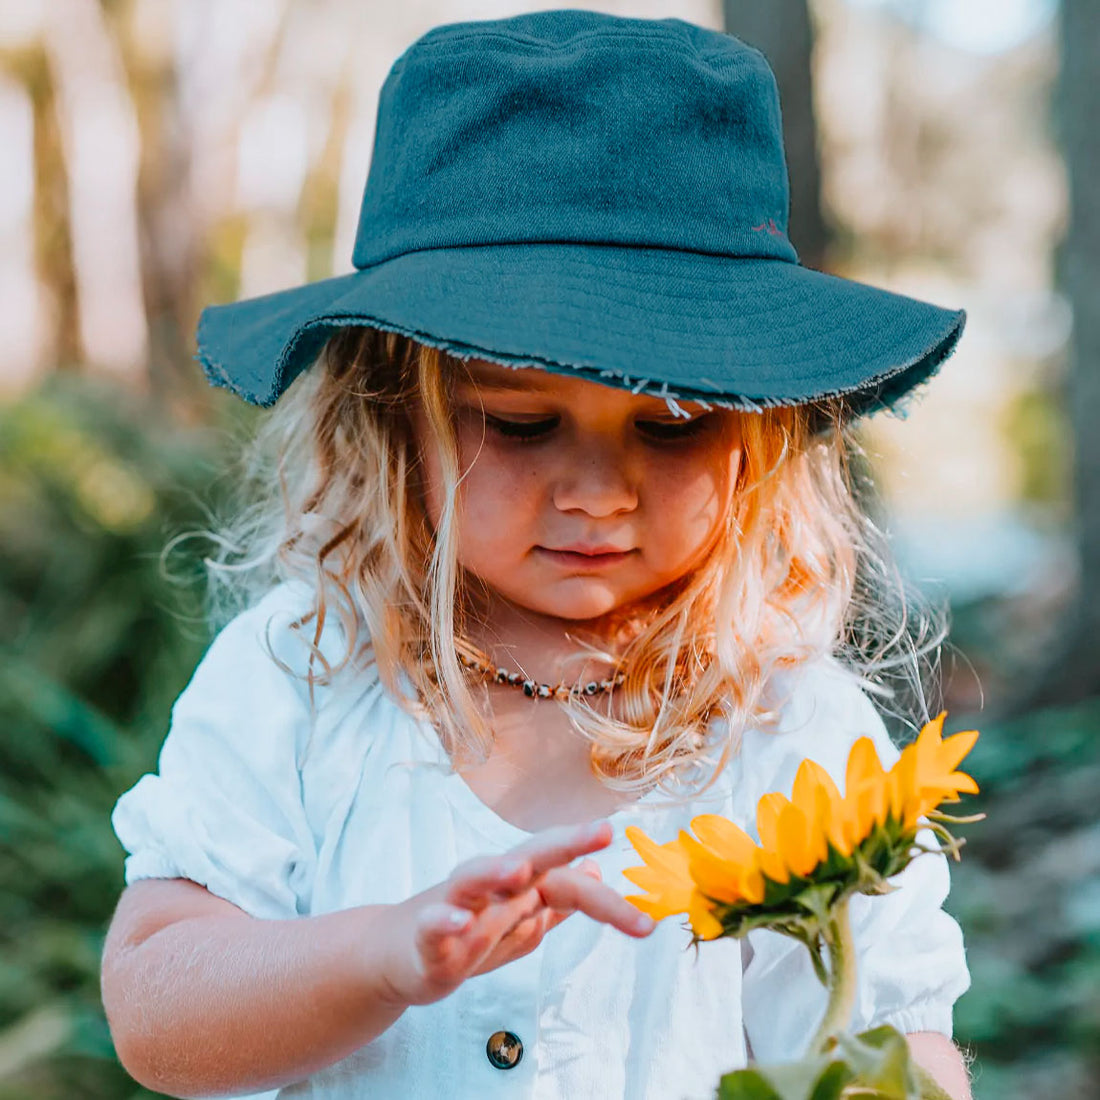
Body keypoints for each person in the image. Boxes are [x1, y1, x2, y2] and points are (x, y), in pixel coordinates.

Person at [100, 10, 975, 1100]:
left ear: (759, 438)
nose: (597, 491)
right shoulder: (302, 672)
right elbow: (157, 1012)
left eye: (669, 427)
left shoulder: (782, 723)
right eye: (516, 424)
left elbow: (890, 1036)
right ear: (388, 414)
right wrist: (377, 954)